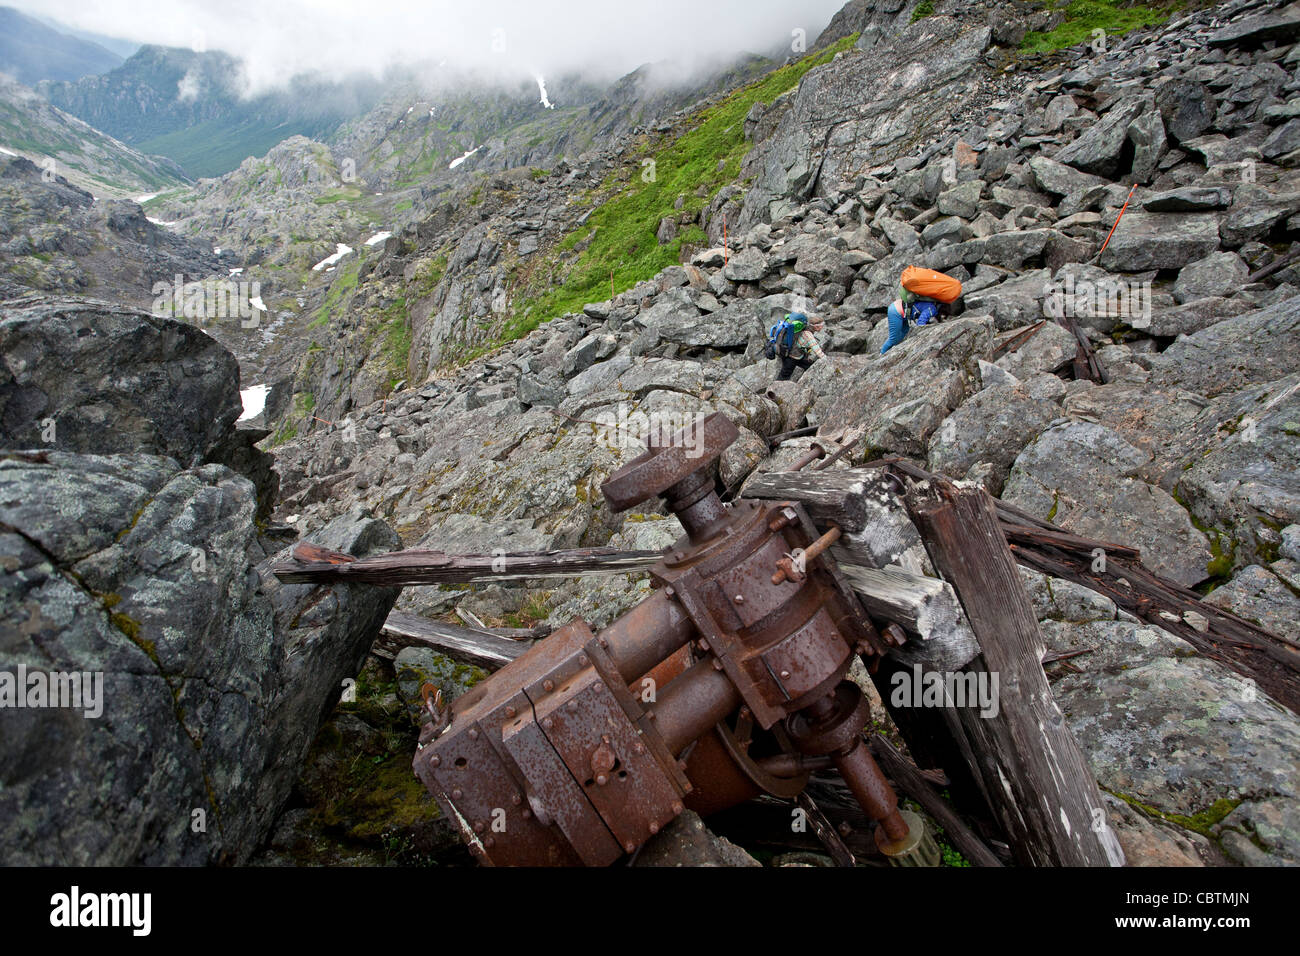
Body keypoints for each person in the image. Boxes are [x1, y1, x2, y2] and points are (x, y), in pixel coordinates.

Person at [879, 287, 941, 356]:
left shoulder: (930, 303)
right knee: (893, 338)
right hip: (896, 312)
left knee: (905, 330)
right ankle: (881, 354)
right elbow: (920, 323)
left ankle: (893, 350)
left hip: (898, 307)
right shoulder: (932, 308)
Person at [773, 312, 826, 381]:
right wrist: (827, 361)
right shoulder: (808, 335)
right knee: (784, 376)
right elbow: (817, 350)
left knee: (809, 366)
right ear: (816, 326)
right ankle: (775, 389)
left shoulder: (805, 328)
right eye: (822, 325)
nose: (822, 327)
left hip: (797, 355)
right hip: (791, 357)